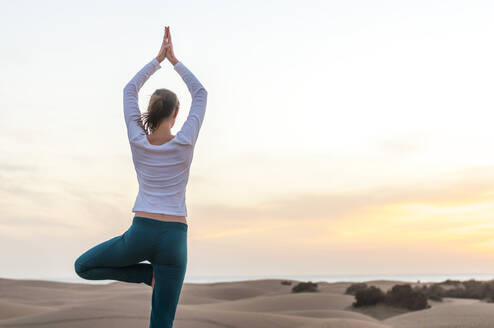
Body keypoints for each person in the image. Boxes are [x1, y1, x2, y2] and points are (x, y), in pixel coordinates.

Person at [74, 25, 208, 327]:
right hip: (175, 238)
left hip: (141, 233)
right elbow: (201, 93)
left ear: (150, 111)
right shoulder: (185, 141)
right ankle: (150, 275)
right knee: (162, 321)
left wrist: (157, 60)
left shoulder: (138, 140)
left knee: (83, 266)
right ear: (175, 114)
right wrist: (174, 61)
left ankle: (145, 276)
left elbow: (128, 90)